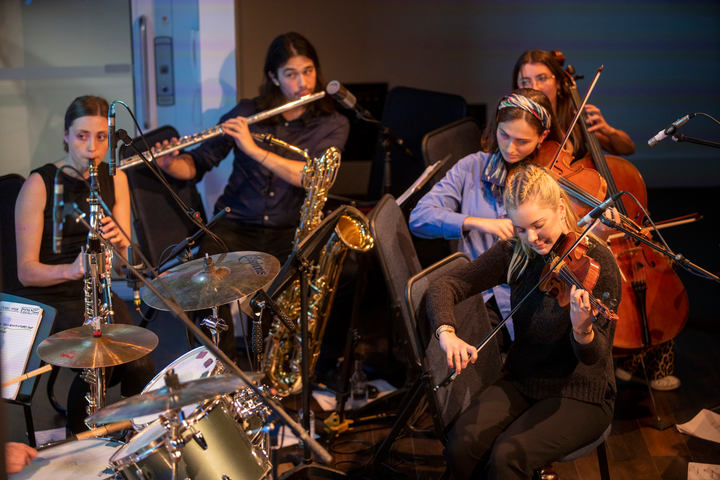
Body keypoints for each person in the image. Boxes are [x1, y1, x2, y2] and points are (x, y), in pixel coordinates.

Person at [157, 32, 350, 362]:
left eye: (308, 71)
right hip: (234, 225)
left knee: (295, 299)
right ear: (274, 77)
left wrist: (251, 148)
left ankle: (281, 375)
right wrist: (170, 162)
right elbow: (197, 164)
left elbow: (312, 176)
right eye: (291, 74)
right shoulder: (248, 112)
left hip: (288, 230)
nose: (302, 82)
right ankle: (224, 373)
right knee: (202, 288)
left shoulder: (332, 123)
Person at [427, 163, 621, 480]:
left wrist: (582, 329)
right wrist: (447, 333)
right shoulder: (515, 252)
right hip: (523, 379)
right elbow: (444, 287)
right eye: (520, 228)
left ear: (560, 208)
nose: (530, 238)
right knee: (461, 447)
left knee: (507, 458)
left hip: (581, 393)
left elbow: (592, 357)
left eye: (537, 225)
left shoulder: (598, 263)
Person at [14, 95, 155, 433]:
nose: (93, 147)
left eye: (101, 137)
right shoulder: (39, 184)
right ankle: (80, 444)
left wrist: (121, 242)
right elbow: (25, 271)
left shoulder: (114, 178)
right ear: (66, 136)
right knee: (98, 364)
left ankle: (132, 441)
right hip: (54, 294)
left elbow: (123, 265)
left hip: (99, 292)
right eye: (82, 136)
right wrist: (72, 269)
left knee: (141, 364)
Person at [410, 89, 563, 346]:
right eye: (504, 134)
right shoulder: (471, 167)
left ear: (542, 137)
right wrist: (475, 222)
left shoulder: (550, 176)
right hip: (477, 296)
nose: (510, 148)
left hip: (531, 297)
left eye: (522, 141)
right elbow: (419, 218)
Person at [512, 49, 635, 159]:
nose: (534, 87)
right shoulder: (512, 126)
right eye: (525, 81)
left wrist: (609, 131)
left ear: (558, 83)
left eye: (542, 78)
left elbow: (628, 149)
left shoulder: (575, 121)